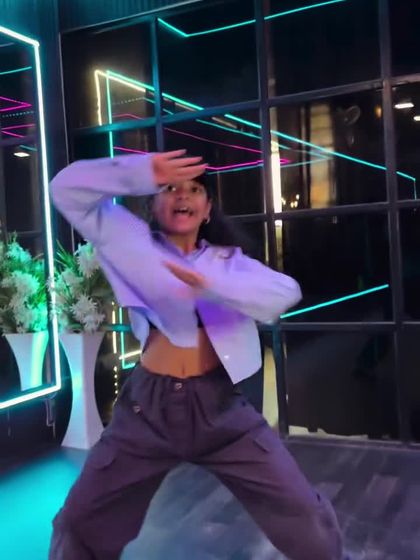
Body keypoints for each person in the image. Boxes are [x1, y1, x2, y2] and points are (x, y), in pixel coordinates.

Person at [48, 150, 343, 560]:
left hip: (222, 409)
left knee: (306, 517)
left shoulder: (229, 262)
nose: (182, 195)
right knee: (80, 521)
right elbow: (64, 189)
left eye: (194, 190)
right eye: (170, 188)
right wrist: (143, 170)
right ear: (152, 203)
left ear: (207, 210)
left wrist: (210, 285)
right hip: (147, 411)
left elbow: (284, 293)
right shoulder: (129, 241)